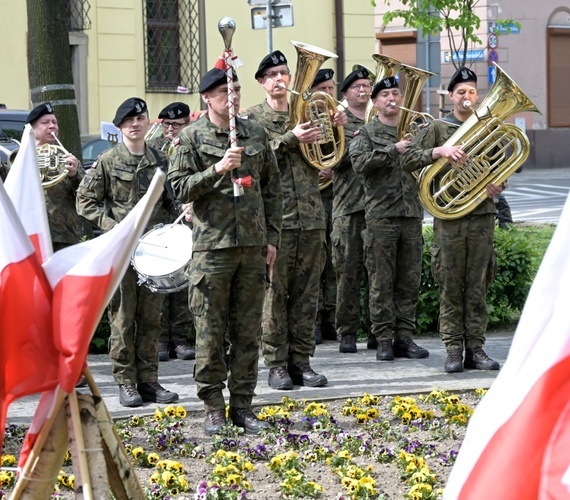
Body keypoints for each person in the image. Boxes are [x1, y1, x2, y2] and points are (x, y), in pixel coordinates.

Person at [168, 68, 283, 435]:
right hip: (212, 249)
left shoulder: (255, 133)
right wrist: (217, 168)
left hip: (251, 248)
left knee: (248, 331)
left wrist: (272, 238)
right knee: (210, 332)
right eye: (222, 91)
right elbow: (179, 188)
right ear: (207, 98)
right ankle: (214, 407)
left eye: (234, 89)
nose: (230, 96)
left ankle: (243, 405)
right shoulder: (191, 138)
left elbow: (272, 190)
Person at [76, 97, 180, 407]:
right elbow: (85, 202)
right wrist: (111, 227)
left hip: (153, 253)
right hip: (122, 252)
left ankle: (149, 381)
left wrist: (182, 215)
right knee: (122, 319)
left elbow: (171, 202)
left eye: (140, 118)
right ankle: (125, 383)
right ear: (120, 126)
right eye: (128, 120)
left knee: (151, 319)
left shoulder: (161, 160)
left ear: (148, 122)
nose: (135, 124)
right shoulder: (109, 161)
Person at [243, 50, 335, 390]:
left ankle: (302, 361)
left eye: (284, 73)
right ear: (261, 82)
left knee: (307, 294)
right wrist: (291, 138)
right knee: (274, 294)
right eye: (272, 75)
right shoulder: (251, 119)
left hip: (311, 217)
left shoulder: (307, 111)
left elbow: (329, 156)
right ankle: (276, 364)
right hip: (277, 221)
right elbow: (256, 160)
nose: (280, 79)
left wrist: (333, 127)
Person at [401, 67, 502, 373]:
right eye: (461, 92)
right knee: (450, 282)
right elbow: (407, 158)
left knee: (476, 285)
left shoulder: (487, 128)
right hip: (451, 216)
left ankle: (476, 348)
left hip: (482, 215)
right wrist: (439, 151)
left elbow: (502, 165)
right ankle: (453, 350)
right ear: (450, 96)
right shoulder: (438, 127)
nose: (467, 97)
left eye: (472, 91)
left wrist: (497, 184)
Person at [350, 76, 430, 363]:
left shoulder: (414, 131)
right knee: (381, 281)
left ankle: (404, 338)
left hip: (411, 215)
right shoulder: (366, 133)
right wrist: (391, 150)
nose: (392, 98)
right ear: (376, 102)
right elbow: (359, 164)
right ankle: (383, 338)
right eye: (385, 95)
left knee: (409, 280)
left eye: (396, 93)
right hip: (381, 217)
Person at [147, 102, 196, 362]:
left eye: (176, 125)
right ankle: (161, 341)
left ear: (187, 124)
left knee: (182, 282)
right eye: (166, 124)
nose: (170, 129)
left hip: (186, 219)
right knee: (159, 282)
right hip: (159, 221)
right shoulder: (152, 150)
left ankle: (179, 338)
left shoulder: (192, 145)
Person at [332, 67, 372, 353]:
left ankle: (377, 330)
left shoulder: (379, 119)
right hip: (348, 206)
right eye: (357, 86)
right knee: (347, 271)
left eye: (367, 85)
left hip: (377, 206)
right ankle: (347, 331)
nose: (363, 90)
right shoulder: (337, 122)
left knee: (378, 273)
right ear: (345, 93)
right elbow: (331, 161)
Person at [26, 102, 84, 251]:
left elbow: (86, 195)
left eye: (54, 122)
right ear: (31, 129)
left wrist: (74, 175)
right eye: (45, 123)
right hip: (30, 234)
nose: (52, 126)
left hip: (64, 235)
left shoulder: (68, 159)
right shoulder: (20, 159)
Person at [310, 68, 338, 343]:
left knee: (333, 264)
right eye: (324, 90)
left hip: (335, 198)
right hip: (312, 198)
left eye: (331, 89)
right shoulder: (304, 116)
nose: (329, 94)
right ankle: (315, 320)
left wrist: (334, 167)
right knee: (315, 262)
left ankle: (331, 319)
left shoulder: (336, 118)